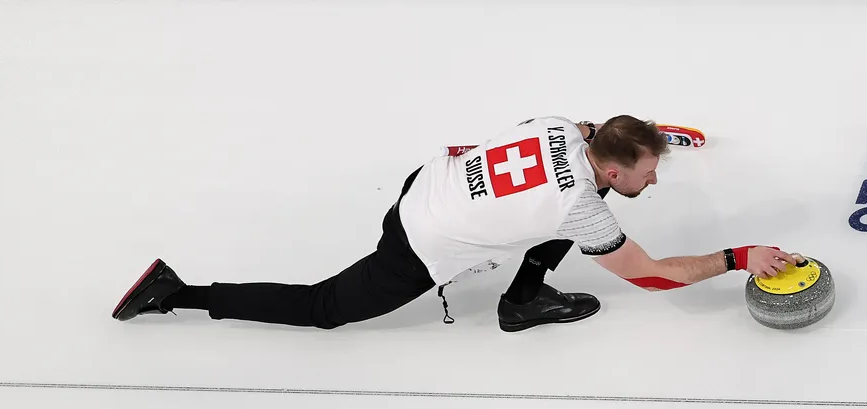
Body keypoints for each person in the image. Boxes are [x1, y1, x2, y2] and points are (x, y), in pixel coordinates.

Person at [111, 114, 803, 332]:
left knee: (572, 213)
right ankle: (174, 292)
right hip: (421, 241)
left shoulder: (565, 127)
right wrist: (740, 257)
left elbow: (601, 129)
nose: (655, 179)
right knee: (326, 308)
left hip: (427, 183)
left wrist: (661, 138)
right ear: (616, 168)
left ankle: (523, 299)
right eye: (650, 170)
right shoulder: (584, 203)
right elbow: (650, 276)